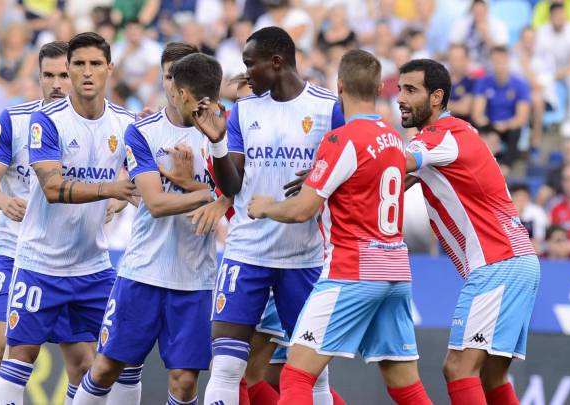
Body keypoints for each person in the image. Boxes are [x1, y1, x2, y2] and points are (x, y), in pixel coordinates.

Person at [247, 48, 432, 405]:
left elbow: (303, 210)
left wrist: (267, 207)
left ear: (340, 86)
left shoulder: (341, 139)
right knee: (404, 384)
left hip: (353, 269)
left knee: (296, 376)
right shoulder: (394, 138)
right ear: (380, 87)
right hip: (396, 270)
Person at [191, 26, 344, 405]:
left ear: (276, 62)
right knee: (226, 367)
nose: (244, 74)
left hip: (303, 258)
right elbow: (232, 185)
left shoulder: (328, 109)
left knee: (314, 373)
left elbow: (355, 170)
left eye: (250, 64)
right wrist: (217, 143)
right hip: (246, 254)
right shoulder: (245, 110)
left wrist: (326, 172)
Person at [0, 32, 138, 405]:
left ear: (109, 69)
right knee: (18, 357)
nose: (86, 72)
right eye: (79, 65)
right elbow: (54, 188)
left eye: (95, 64)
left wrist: (123, 199)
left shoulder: (127, 123)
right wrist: (110, 192)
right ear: (69, 70)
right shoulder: (46, 120)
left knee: (99, 363)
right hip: (40, 262)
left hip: (93, 264)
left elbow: (139, 180)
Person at [73, 44, 218, 405]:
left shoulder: (219, 133)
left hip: (194, 277)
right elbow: (154, 203)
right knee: (107, 367)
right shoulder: (143, 132)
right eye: (167, 76)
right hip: (142, 272)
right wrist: (207, 195)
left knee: (184, 381)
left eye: (178, 79)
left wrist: (196, 187)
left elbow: (237, 196)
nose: (172, 86)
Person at [398, 58, 540, 405]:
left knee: (458, 368)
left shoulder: (439, 137)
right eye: (399, 88)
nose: (400, 97)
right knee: (492, 376)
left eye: (410, 90)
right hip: (515, 259)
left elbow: (392, 166)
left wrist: (331, 170)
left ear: (436, 97)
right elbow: (393, 182)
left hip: (497, 262)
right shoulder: (452, 136)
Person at [0, 41, 99, 405]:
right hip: (14, 250)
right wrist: (3, 201)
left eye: (63, 74)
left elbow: (111, 179)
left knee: (83, 363)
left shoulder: (92, 124)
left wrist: (113, 207)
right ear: (38, 77)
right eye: (49, 75)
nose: (57, 83)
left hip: (69, 259)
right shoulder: (15, 119)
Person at [536, 2, 570, 138]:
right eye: (555, 15)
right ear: (550, 17)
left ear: (565, 15)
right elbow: (540, 59)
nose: (558, 18)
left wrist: (553, 75)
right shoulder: (542, 32)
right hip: (554, 71)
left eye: (561, 15)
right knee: (539, 80)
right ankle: (544, 118)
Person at [471, 46, 531, 172]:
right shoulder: (483, 82)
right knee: (476, 128)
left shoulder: (520, 84)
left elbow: (521, 117)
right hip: (490, 125)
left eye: (502, 61)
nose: (499, 65)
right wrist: (491, 128)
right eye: (496, 61)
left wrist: (506, 125)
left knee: (516, 131)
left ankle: (507, 166)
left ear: (508, 61)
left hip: (510, 127)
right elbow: (477, 113)